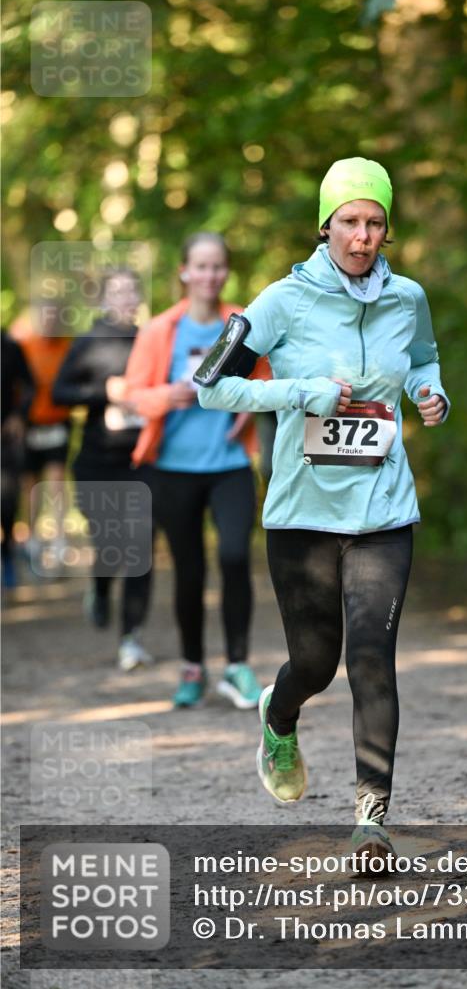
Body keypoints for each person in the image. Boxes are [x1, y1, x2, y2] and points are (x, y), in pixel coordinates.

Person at [198, 157, 450, 862]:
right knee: (316, 663)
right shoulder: (283, 300)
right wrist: (300, 392)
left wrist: (432, 395)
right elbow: (210, 388)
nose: (363, 236)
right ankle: (278, 718)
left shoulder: (408, 299)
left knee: (373, 659)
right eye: (349, 221)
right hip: (302, 516)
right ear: (324, 224)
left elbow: (424, 360)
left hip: (383, 512)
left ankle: (371, 821)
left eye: (375, 223)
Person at [123, 232, 270, 708]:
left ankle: (238, 667)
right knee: (189, 571)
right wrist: (167, 395)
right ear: (184, 272)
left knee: (233, 557)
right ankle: (192, 668)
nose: (209, 276)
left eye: (218, 267)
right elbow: (132, 393)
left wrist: (248, 408)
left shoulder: (242, 324)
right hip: (172, 469)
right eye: (200, 267)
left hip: (229, 465)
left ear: (226, 272)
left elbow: (267, 375)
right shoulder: (160, 330)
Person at [52, 268, 154, 671]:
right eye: (117, 292)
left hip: (142, 459)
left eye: (131, 291)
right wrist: (103, 394)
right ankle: (98, 588)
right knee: (110, 549)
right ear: (104, 300)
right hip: (97, 462)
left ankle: (131, 637)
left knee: (139, 544)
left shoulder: (152, 339)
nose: (125, 298)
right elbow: (60, 393)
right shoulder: (89, 342)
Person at [15, 300, 72, 569]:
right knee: (31, 485)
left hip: (58, 421)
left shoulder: (67, 346)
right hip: (30, 424)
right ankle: (33, 537)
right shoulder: (24, 343)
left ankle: (59, 539)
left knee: (57, 481)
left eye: (54, 315)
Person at [1, 330, 35, 589]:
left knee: (7, 500)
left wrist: (18, 415)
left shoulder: (10, 346)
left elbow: (29, 385)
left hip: (5, 439)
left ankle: (8, 553)